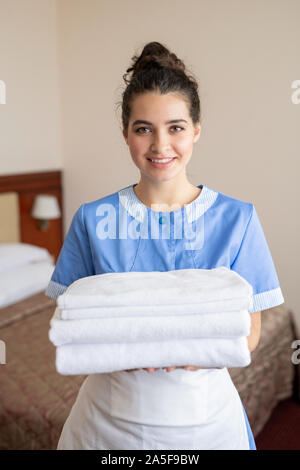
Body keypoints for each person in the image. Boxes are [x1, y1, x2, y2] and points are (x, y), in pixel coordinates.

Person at [45, 41, 284, 450]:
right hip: (107, 421)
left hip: (206, 419)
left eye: (175, 127)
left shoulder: (236, 220)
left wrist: (192, 350)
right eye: (143, 128)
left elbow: (249, 330)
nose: (160, 145)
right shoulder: (93, 220)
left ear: (196, 130)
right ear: (125, 133)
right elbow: (74, 322)